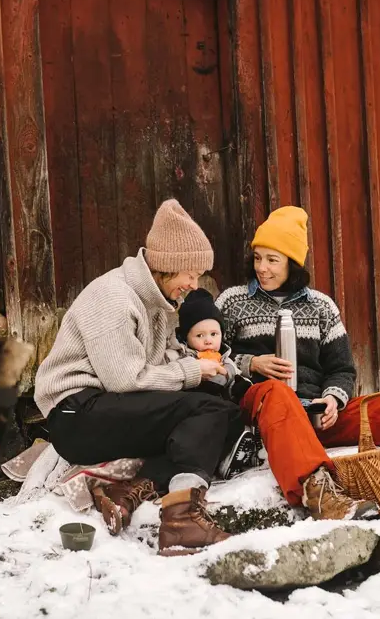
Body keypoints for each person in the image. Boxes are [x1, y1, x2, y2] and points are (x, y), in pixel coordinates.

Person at [34, 199, 239, 554]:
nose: (194, 283)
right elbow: (125, 380)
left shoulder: (156, 304)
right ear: (168, 266)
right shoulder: (112, 297)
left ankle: (127, 490)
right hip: (76, 415)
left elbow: (160, 361)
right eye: (191, 274)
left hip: (107, 408)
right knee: (208, 412)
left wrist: (207, 365)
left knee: (220, 407)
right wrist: (192, 371)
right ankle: (182, 520)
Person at [215, 206, 380, 521]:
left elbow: (342, 368)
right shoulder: (231, 302)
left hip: (313, 414)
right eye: (257, 258)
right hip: (262, 414)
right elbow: (211, 359)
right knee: (277, 393)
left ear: (292, 263)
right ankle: (322, 497)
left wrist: (333, 399)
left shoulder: (321, 306)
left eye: (272, 260)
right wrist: (251, 363)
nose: (262, 269)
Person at [174, 288, 260, 479]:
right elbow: (175, 378)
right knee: (208, 432)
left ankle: (240, 451)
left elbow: (234, 377)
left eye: (214, 334)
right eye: (200, 336)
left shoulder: (225, 359)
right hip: (196, 410)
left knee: (235, 417)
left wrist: (239, 385)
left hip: (224, 409)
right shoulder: (182, 358)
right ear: (185, 338)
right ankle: (220, 460)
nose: (208, 341)